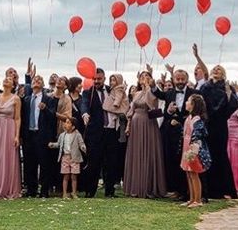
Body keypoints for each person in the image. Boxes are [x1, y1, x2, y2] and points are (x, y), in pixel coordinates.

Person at [196, 51, 238, 200]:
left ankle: (225, 189)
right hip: (207, 124)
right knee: (207, 155)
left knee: (220, 156)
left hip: (220, 125)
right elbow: (200, 102)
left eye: (219, 69)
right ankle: (208, 190)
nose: (216, 70)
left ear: (223, 74)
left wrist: (228, 96)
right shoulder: (206, 87)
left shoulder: (227, 88)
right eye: (214, 69)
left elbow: (234, 104)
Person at [152, 65, 198, 201]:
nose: (179, 81)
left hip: (187, 132)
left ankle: (188, 192)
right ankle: (177, 190)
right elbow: (157, 94)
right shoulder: (169, 93)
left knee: (185, 162)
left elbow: (196, 113)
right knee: (172, 161)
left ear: (186, 79)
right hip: (170, 133)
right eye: (177, 79)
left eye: (182, 79)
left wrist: (181, 122)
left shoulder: (194, 93)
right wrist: (169, 112)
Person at [123, 69, 166, 198]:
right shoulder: (136, 93)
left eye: (147, 75)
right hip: (136, 124)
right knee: (136, 153)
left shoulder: (152, 92)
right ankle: (135, 186)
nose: (144, 77)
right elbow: (131, 110)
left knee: (148, 152)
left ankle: (148, 187)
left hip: (148, 123)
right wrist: (128, 126)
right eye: (142, 76)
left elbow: (152, 104)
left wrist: (148, 87)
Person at [81, 67, 119, 198]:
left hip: (111, 131)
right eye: (94, 79)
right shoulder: (88, 93)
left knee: (111, 163)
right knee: (93, 163)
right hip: (95, 133)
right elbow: (84, 104)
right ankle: (90, 191)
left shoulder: (111, 90)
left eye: (99, 79)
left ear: (104, 78)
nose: (96, 81)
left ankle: (110, 192)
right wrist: (85, 113)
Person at [21, 59, 57, 197]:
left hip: (42, 135)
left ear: (43, 85)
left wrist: (46, 109)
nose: (37, 81)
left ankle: (44, 191)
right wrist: (28, 76)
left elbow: (53, 116)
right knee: (30, 163)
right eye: (35, 79)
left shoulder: (48, 99)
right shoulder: (27, 99)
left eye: (40, 79)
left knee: (44, 163)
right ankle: (31, 189)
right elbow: (23, 118)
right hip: (29, 134)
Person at [180, 94, 210, 208]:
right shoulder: (189, 118)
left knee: (194, 173)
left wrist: (194, 149)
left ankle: (198, 199)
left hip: (193, 148)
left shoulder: (197, 120)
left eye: (188, 101)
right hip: (186, 146)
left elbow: (197, 134)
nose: (186, 103)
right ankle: (191, 199)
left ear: (193, 105)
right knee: (188, 172)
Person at [48, 117, 86, 198]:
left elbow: (81, 143)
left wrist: (83, 147)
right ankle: (65, 193)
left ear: (73, 126)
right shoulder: (62, 135)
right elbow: (59, 144)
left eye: (68, 123)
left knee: (74, 176)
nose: (65, 124)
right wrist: (52, 144)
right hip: (65, 157)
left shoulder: (77, 134)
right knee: (66, 176)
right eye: (66, 122)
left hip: (74, 157)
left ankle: (74, 192)